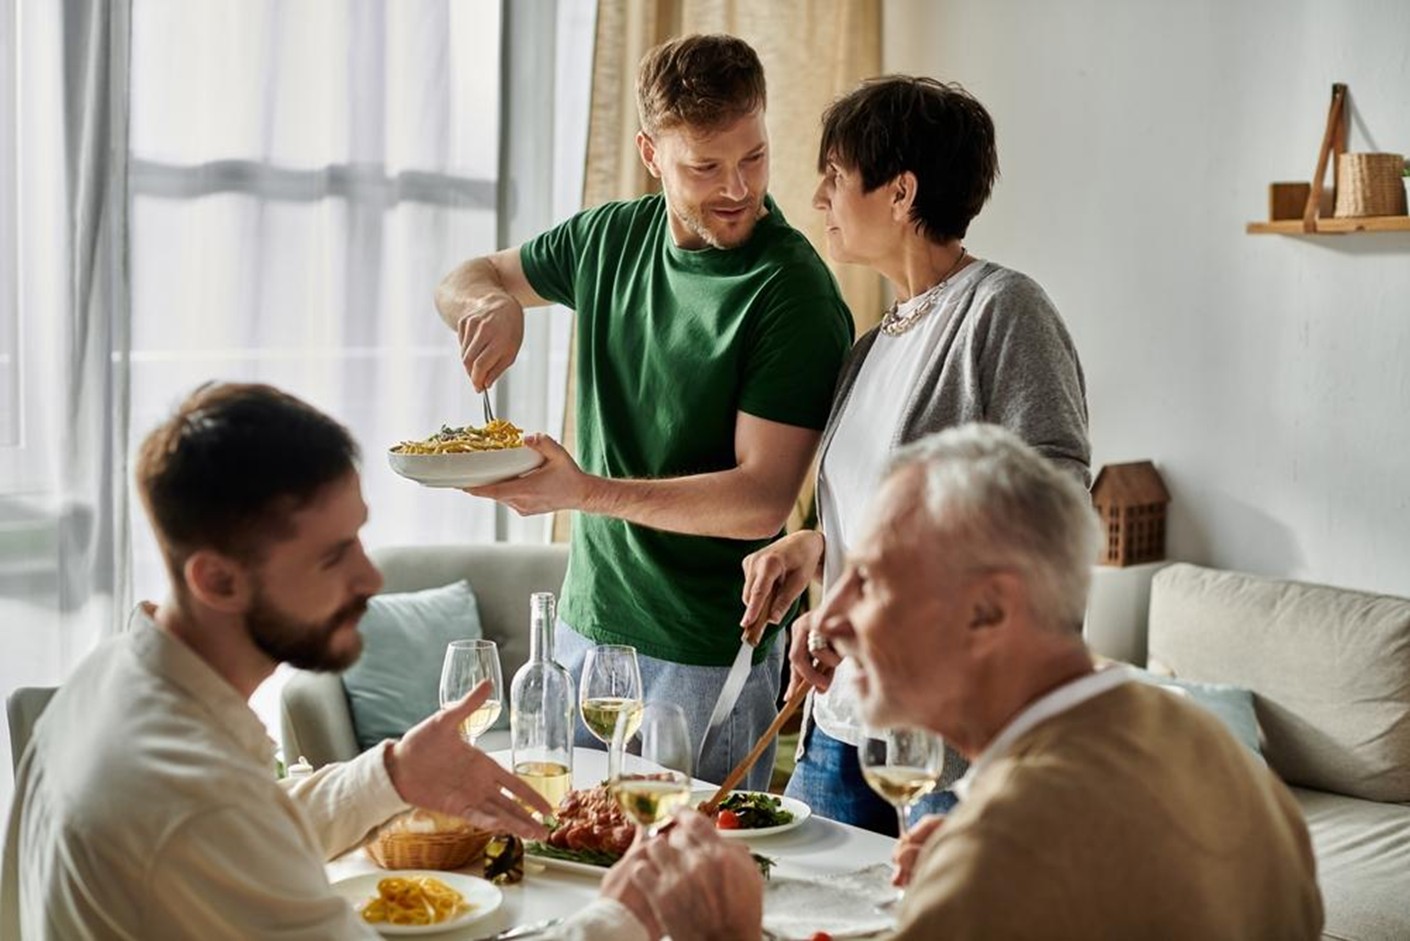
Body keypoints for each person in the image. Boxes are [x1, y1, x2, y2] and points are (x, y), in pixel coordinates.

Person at [585, 424, 1324, 940]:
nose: (826, 618)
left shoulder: (1004, 849)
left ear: (989, 607)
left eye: (866, 581)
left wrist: (722, 935)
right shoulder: (1220, 751)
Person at [433, 34, 854, 787]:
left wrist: (583, 491)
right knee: (560, 861)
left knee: (685, 889)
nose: (738, 188)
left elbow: (761, 502)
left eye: (753, 157)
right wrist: (493, 302)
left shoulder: (791, 291)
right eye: (706, 166)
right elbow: (466, 276)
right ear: (651, 153)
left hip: (698, 655)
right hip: (582, 627)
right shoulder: (608, 239)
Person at [0, 383, 558, 940]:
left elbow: (245, 833)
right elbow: (219, 824)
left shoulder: (109, 675)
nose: (371, 579)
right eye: (334, 555)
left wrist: (393, 774)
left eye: (358, 538)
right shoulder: (191, 796)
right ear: (217, 580)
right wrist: (622, 920)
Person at [739, 75, 1090, 833]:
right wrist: (823, 564)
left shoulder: (1005, 312)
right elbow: (891, 512)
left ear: (900, 193)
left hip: (945, 743)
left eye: (835, 177)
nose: (819, 199)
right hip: (840, 722)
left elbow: (1052, 529)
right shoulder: (871, 345)